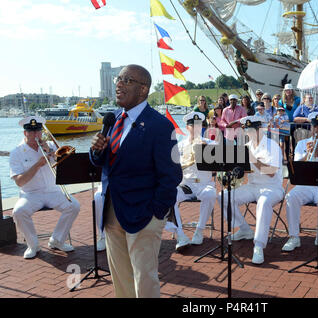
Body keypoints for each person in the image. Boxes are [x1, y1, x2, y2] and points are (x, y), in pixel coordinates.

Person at [89, 64, 182, 298]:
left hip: (144, 214)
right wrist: (97, 151)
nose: (119, 84)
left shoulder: (160, 126)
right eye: (118, 79)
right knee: (121, 278)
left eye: (127, 80)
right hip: (113, 211)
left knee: (144, 278)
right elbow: (105, 163)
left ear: (143, 90)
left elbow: (171, 175)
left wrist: (157, 212)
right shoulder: (113, 121)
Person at [9, 116, 80, 259]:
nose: (36, 135)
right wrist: (37, 165)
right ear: (25, 133)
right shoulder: (16, 152)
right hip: (30, 194)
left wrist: (52, 153)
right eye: (32, 132)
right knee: (18, 211)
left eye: (38, 131)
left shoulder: (51, 146)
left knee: (74, 206)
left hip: (53, 190)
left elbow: (66, 167)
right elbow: (19, 182)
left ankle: (57, 240)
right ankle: (33, 245)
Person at [220, 116, 284, 265]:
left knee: (263, 202)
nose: (249, 133)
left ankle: (259, 245)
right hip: (253, 186)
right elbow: (245, 171)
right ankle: (244, 229)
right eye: (246, 130)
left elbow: (271, 171)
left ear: (259, 129)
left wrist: (252, 158)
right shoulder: (246, 146)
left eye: (251, 130)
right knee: (223, 196)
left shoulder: (272, 146)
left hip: (272, 187)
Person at [282, 112, 318, 252]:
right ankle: (294, 237)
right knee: (291, 197)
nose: (316, 130)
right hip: (306, 184)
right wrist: (306, 155)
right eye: (314, 126)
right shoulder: (302, 144)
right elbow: (296, 165)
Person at [165, 112, 217, 251]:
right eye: (192, 126)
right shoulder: (181, 145)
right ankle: (180, 235)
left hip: (204, 184)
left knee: (211, 195)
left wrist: (206, 147)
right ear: (187, 128)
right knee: (169, 196)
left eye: (199, 125)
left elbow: (220, 154)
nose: (196, 128)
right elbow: (173, 165)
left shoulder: (209, 142)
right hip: (186, 184)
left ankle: (199, 230)